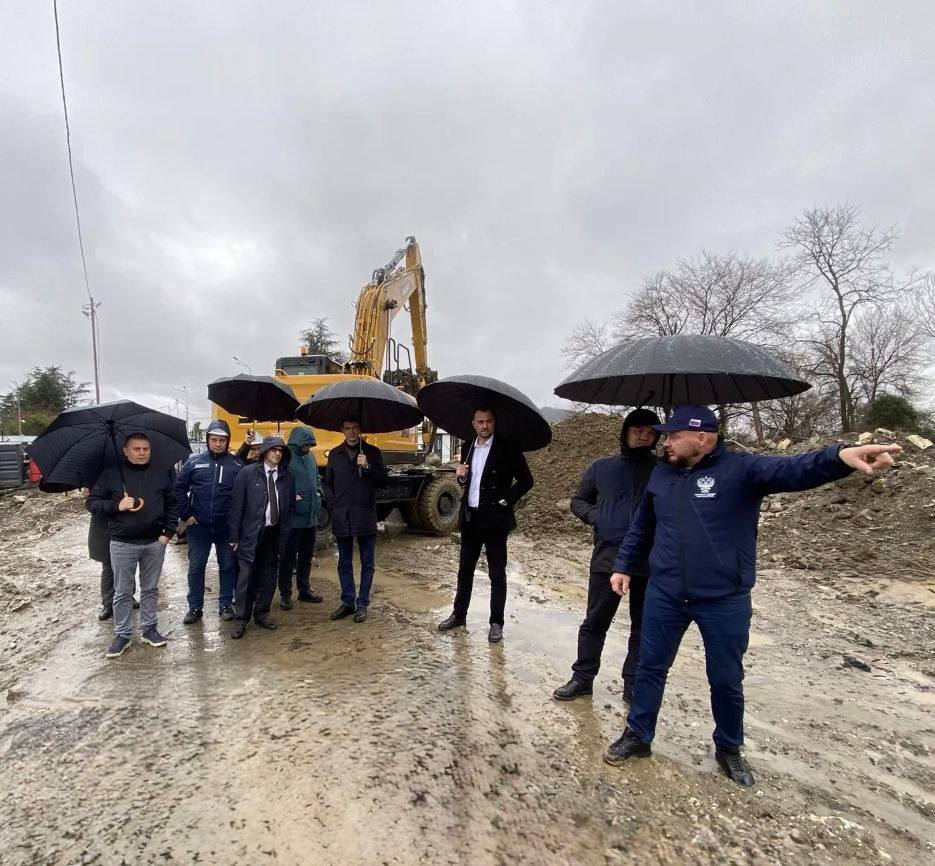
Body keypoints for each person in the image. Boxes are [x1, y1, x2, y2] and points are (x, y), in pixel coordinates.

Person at [602, 405, 900, 786]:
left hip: (723, 598)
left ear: (702, 439)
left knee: (726, 678)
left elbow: (795, 469)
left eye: (674, 436)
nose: (666, 443)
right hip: (666, 592)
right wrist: (624, 564)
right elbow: (642, 526)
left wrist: (840, 457)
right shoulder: (662, 473)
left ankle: (728, 747)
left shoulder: (742, 471)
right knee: (649, 667)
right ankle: (638, 735)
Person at [553, 408, 660, 702]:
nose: (643, 436)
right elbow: (578, 500)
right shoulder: (601, 468)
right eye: (637, 430)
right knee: (595, 621)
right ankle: (582, 678)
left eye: (650, 432)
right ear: (625, 433)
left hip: (650, 558)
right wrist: (597, 517)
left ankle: (633, 684)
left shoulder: (663, 470)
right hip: (608, 556)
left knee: (643, 626)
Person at [437, 407, 534, 643]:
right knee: (465, 571)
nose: (484, 426)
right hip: (471, 518)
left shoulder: (507, 447)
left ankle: (496, 623)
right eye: (480, 422)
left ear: (494, 422)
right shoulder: (467, 447)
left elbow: (526, 480)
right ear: (473, 423)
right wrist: (461, 477)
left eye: (489, 421)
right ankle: (459, 615)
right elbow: (469, 482)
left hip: (495, 520)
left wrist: (506, 500)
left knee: (497, 574)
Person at [86, 433, 178, 658]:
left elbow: (172, 503)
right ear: (125, 451)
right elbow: (92, 503)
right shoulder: (111, 475)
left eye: (145, 449)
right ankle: (123, 634)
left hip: (154, 542)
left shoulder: (161, 474)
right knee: (122, 591)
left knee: (150, 589)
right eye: (136, 449)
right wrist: (117, 505)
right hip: (122, 543)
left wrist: (168, 533)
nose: (142, 453)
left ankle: (149, 629)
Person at [175, 420, 243, 624]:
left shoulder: (236, 465)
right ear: (208, 440)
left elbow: (242, 497)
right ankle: (195, 607)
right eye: (214, 439)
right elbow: (179, 489)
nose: (218, 444)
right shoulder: (194, 462)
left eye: (222, 440)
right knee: (196, 567)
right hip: (199, 527)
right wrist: (186, 515)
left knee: (227, 566)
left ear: (227, 441)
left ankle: (225, 604)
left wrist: (237, 525)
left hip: (226, 528)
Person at [227, 436, 295, 639]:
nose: (277, 454)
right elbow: (236, 506)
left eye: (281, 451)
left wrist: (286, 533)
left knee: (268, 576)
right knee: (246, 578)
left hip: (274, 534)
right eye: (274, 450)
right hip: (250, 533)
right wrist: (234, 536)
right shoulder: (247, 473)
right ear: (265, 452)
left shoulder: (287, 477)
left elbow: (290, 507)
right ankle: (241, 618)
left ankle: (262, 613)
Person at [322, 418, 388, 623]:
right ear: (342, 430)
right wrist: (332, 504)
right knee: (344, 562)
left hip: (365, 515)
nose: (351, 432)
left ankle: (362, 604)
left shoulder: (373, 453)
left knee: (367, 563)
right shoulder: (335, 454)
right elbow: (328, 484)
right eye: (348, 428)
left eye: (355, 428)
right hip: (342, 516)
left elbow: (384, 481)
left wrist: (367, 466)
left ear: (360, 429)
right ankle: (348, 601)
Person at [278, 426, 323, 609]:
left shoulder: (310, 457)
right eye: (306, 444)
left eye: (310, 444)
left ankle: (304, 590)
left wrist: (319, 491)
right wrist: (291, 497)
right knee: (287, 558)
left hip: (310, 518)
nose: (308, 447)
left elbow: (316, 477)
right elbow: (279, 481)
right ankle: (285, 593)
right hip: (293, 520)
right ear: (297, 442)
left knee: (306, 556)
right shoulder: (286, 457)